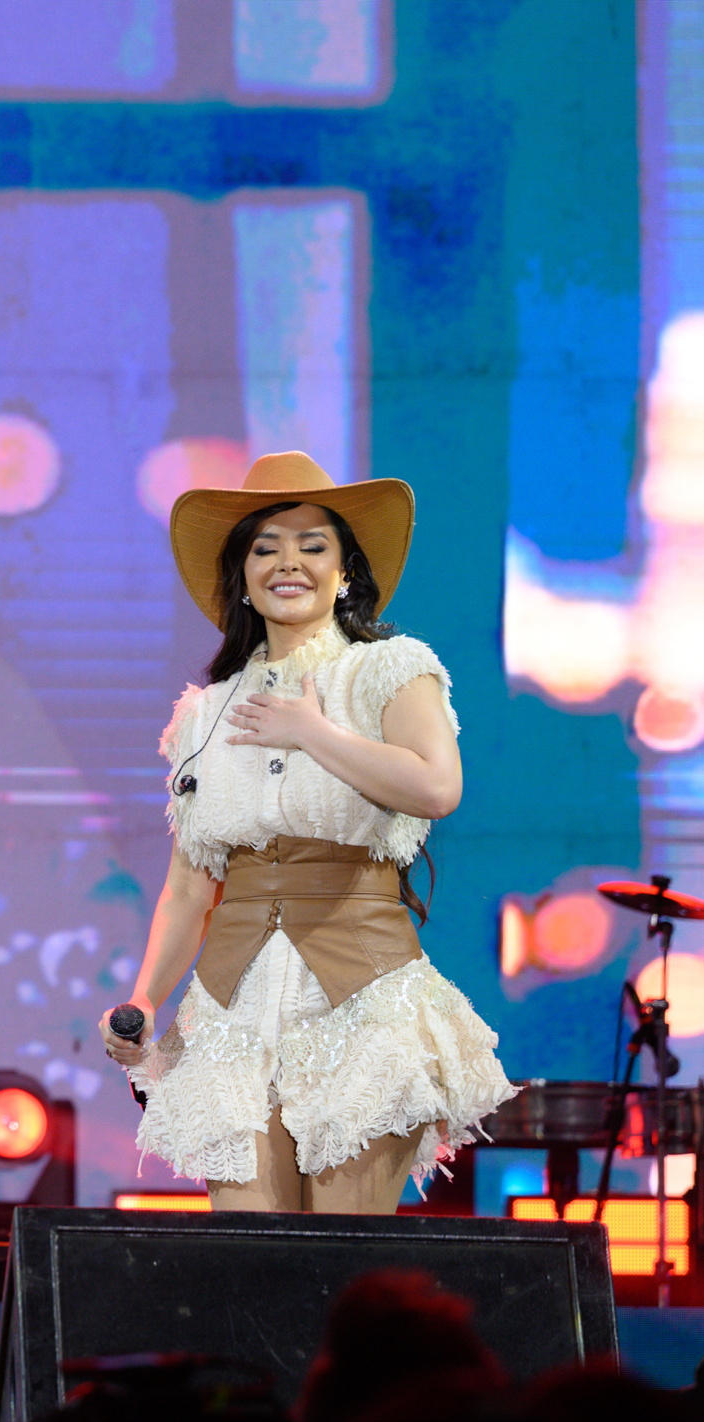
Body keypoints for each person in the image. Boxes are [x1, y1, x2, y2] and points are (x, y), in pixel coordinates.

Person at [99, 451, 514, 1212]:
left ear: (345, 572)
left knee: (344, 1259)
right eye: (266, 547)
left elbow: (437, 786)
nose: (288, 562)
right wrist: (146, 1000)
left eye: (312, 545)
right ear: (242, 576)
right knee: (249, 1262)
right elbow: (189, 887)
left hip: (361, 990)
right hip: (234, 1003)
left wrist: (313, 732)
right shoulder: (205, 712)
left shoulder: (389, 669)